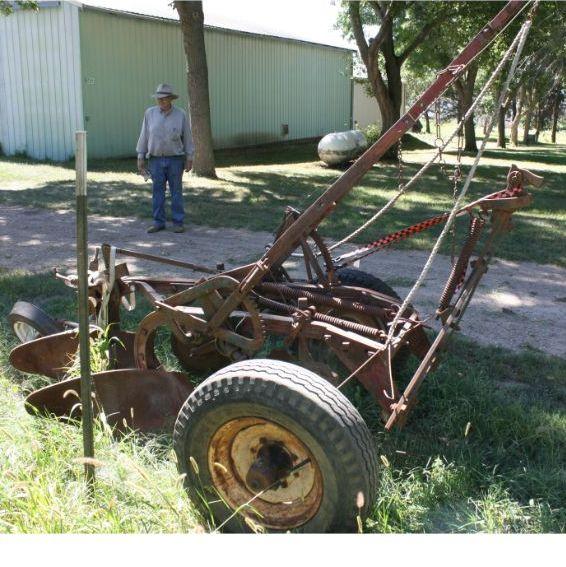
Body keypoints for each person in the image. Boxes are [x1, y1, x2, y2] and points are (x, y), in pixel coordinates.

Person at [136, 83, 194, 233]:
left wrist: (190, 157)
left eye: (164, 99)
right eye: (158, 98)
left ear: (170, 99)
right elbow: (144, 135)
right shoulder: (150, 113)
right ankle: (158, 222)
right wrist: (140, 156)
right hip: (155, 159)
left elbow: (187, 136)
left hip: (175, 159)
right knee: (157, 192)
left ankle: (178, 222)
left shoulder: (180, 114)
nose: (161, 101)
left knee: (176, 192)